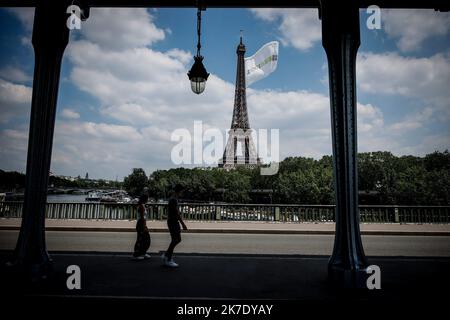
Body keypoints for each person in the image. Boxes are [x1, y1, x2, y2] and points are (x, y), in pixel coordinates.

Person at [162, 184, 187, 268]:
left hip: (173, 221)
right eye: (182, 191)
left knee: (177, 239)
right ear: (179, 191)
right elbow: (176, 213)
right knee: (175, 240)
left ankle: (166, 255)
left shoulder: (174, 199)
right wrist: (183, 224)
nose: (183, 193)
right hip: (173, 222)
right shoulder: (173, 200)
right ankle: (168, 259)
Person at [133, 193, 151, 260]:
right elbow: (142, 217)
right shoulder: (141, 206)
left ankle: (143, 252)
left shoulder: (142, 205)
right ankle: (136, 255)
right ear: (145, 199)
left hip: (141, 223)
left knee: (145, 239)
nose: (148, 199)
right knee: (140, 240)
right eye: (147, 198)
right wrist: (144, 226)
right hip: (141, 224)